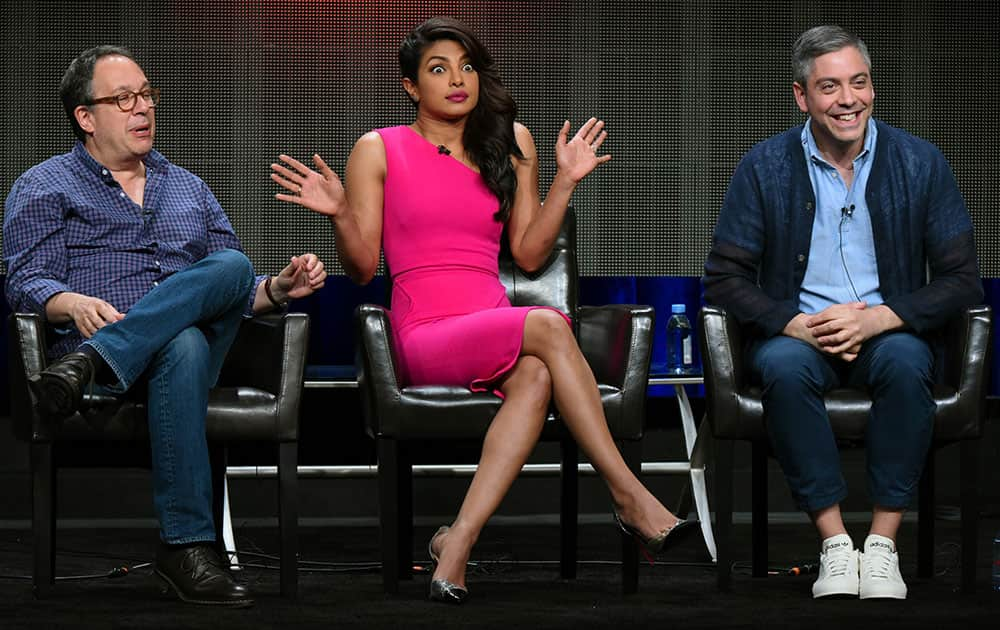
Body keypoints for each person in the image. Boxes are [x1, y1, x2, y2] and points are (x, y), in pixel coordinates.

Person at [270, 17, 698, 603]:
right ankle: (627, 494)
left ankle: (458, 543)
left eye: (467, 67)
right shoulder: (379, 148)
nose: (457, 80)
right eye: (438, 69)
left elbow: (526, 253)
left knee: (539, 370)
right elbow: (363, 270)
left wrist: (566, 182)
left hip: (491, 320)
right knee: (547, 327)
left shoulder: (511, 141)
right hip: (425, 331)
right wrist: (343, 214)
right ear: (410, 86)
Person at [3, 45, 328, 608]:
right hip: (135, 357)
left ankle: (99, 356)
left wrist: (276, 290)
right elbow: (25, 280)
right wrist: (70, 302)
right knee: (180, 340)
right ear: (86, 117)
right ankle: (186, 550)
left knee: (232, 265)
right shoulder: (43, 185)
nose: (143, 109)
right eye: (123, 99)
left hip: (99, 367)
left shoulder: (189, 187)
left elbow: (230, 291)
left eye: (147, 95)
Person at [703, 25, 982, 600]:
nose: (848, 99)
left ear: (872, 87)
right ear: (802, 97)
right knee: (780, 367)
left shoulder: (920, 163)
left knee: (907, 363)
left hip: (889, 332)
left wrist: (882, 318)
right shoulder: (764, 168)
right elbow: (723, 279)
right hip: (799, 334)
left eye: (859, 83)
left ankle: (881, 546)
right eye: (830, 87)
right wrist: (793, 324)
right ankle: (835, 545)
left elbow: (961, 281)